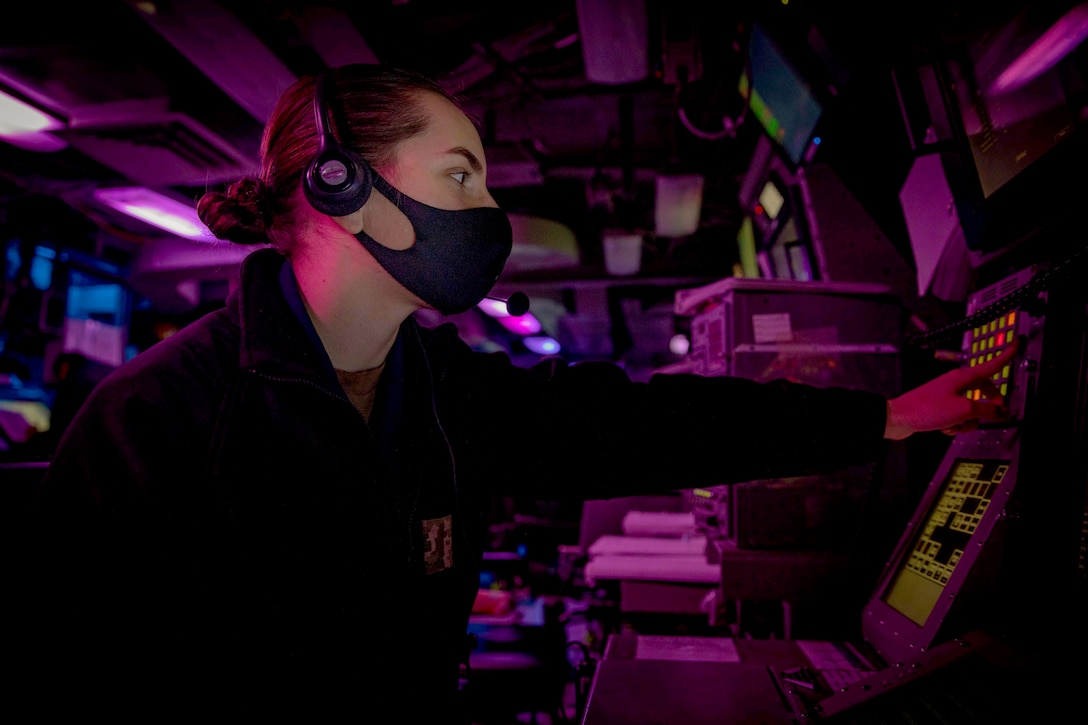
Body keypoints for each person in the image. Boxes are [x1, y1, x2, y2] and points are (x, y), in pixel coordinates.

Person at [12, 63, 1019, 721]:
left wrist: (882, 412)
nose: (489, 210)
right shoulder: (156, 421)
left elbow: (637, 424)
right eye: (460, 176)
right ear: (339, 187)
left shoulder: (443, 391)